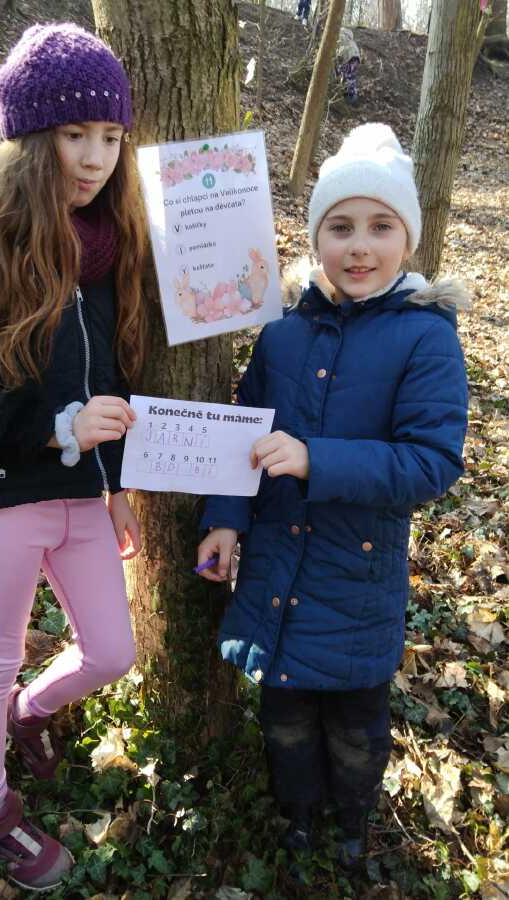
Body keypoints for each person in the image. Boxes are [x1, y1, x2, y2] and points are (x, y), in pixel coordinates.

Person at [0, 23, 147, 892]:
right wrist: (51, 429)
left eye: (110, 137)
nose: (94, 158)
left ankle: (29, 713)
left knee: (113, 653)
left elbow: (108, 380)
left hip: (83, 495)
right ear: (29, 136)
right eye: (74, 134)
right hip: (1, 494)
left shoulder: (108, 247)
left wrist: (114, 485)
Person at [197, 124, 469, 869]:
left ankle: (351, 821)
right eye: (340, 227)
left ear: (407, 239)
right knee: (283, 715)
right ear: (315, 237)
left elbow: (430, 461)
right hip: (275, 571)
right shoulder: (281, 334)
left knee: (355, 726)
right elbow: (243, 438)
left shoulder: (426, 338)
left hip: (357, 578)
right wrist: (224, 521)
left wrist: (316, 460)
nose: (359, 247)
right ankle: (296, 817)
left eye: (381, 227)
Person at [336, 27, 361, 105]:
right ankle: (352, 95)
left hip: (348, 58)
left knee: (345, 75)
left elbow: (340, 49)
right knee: (351, 76)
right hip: (356, 58)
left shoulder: (340, 36)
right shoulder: (351, 40)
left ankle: (349, 96)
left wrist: (338, 56)